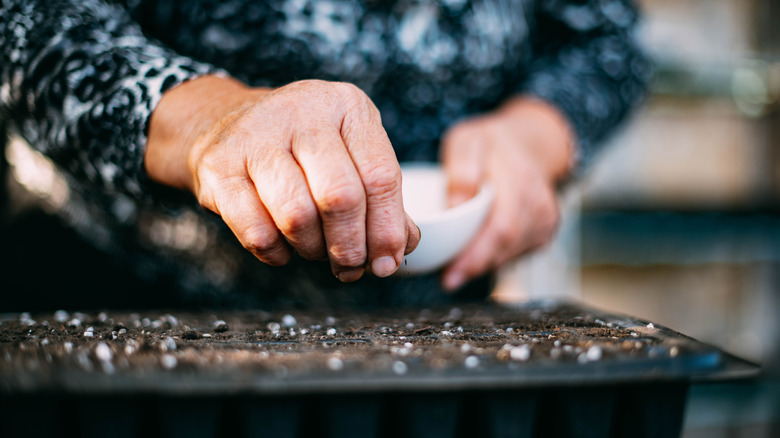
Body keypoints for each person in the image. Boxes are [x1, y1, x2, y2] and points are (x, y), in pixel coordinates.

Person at [0, 0, 650, 309]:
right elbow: (28, 25)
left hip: (433, 331)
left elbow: (608, 41)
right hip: (117, 308)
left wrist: (531, 136)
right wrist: (207, 121)